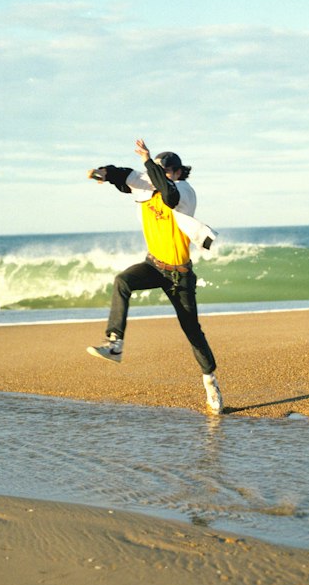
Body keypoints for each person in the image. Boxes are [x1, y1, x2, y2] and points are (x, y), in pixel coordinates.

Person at [86, 138, 223, 415]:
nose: (154, 177)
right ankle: (115, 344)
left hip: (180, 275)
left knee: (192, 331)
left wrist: (149, 161)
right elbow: (127, 177)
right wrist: (104, 173)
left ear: (176, 172)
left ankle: (210, 382)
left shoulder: (185, 191)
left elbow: (169, 195)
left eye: (162, 172)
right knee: (122, 281)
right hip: (154, 266)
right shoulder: (146, 189)